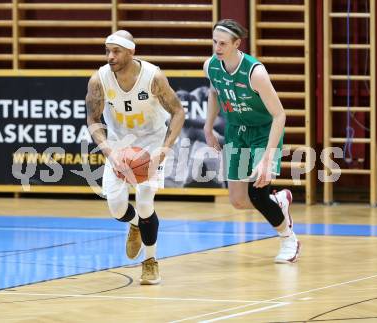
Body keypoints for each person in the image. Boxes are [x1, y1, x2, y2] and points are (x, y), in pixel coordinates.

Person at [85, 30, 185, 284]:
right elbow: (93, 119)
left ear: (131, 51)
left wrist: (164, 149)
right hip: (119, 147)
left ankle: (150, 261)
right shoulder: (99, 80)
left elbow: (177, 112)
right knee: (117, 208)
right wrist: (109, 151)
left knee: (144, 202)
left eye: (116, 51)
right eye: (107, 51)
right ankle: (136, 224)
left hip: (151, 145)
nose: (110, 57)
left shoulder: (153, 77)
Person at [203, 19, 301, 263]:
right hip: (236, 131)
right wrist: (208, 127)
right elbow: (215, 92)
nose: (217, 48)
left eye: (223, 43)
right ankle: (280, 200)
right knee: (238, 201)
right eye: (215, 42)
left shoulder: (255, 72)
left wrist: (268, 158)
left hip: (263, 132)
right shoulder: (211, 66)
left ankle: (289, 239)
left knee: (257, 194)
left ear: (237, 43)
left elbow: (280, 115)